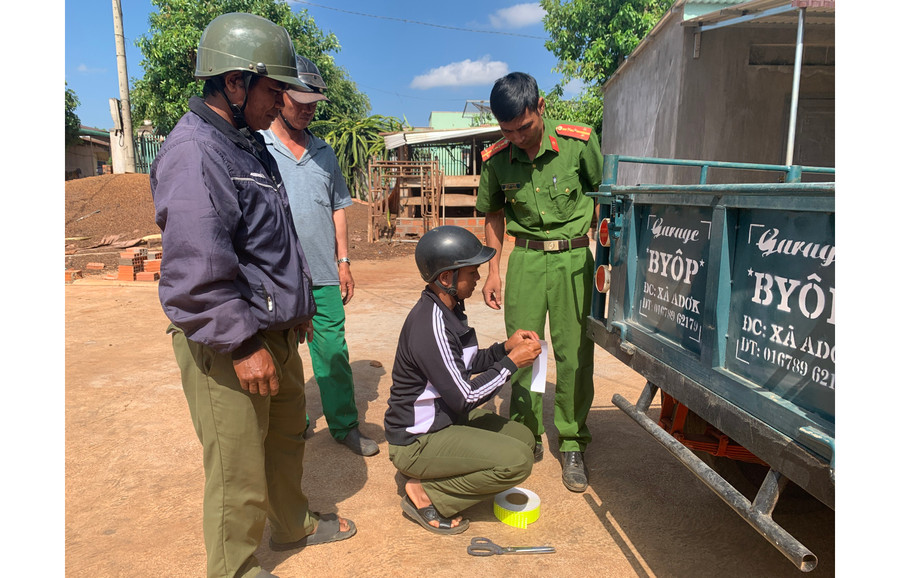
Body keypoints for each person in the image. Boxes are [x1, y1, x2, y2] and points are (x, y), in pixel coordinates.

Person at [150, 13, 355, 578]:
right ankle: (235, 569)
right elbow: (196, 268)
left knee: (286, 438)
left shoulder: (246, 146)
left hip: (275, 330)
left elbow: (273, 240)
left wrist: (298, 307)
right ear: (234, 83)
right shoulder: (196, 152)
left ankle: (292, 524)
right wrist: (242, 345)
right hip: (231, 342)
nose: (281, 102)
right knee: (237, 468)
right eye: (273, 90)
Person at [475, 72, 604, 493]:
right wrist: (493, 270)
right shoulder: (496, 158)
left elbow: (602, 197)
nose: (516, 138)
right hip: (527, 260)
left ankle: (572, 439)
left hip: (574, 260)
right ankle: (524, 431)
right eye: (507, 131)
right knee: (522, 349)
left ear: (541, 107)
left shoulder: (579, 143)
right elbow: (494, 213)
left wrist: (610, 257)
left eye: (524, 127)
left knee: (574, 353)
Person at [384, 226, 543, 534]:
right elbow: (464, 397)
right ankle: (427, 493)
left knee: (523, 438)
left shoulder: (449, 308)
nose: (478, 278)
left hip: (445, 421)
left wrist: (504, 348)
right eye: (472, 272)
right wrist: (511, 364)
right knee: (517, 461)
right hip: (418, 439)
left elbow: (465, 364)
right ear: (447, 278)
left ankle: (436, 474)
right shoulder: (431, 324)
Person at [261, 55, 378, 457]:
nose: (308, 110)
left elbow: (338, 208)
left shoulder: (324, 153)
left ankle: (344, 425)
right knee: (282, 354)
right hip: (278, 276)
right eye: (300, 102)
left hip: (324, 274)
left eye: (314, 103)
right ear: (280, 96)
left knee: (332, 351)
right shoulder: (259, 146)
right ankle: (293, 423)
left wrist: (344, 262)